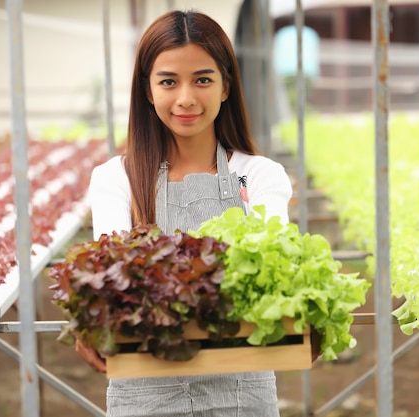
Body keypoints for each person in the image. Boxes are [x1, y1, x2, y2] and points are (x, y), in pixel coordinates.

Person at [82, 9, 293, 417]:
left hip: (241, 392)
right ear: (147, 90)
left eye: (202, 79)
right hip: (142, 391)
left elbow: (272, 268)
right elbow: (110, 281)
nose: (186, 98)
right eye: (168, 82)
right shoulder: (116, 180)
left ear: (226, 86)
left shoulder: (259, 176)